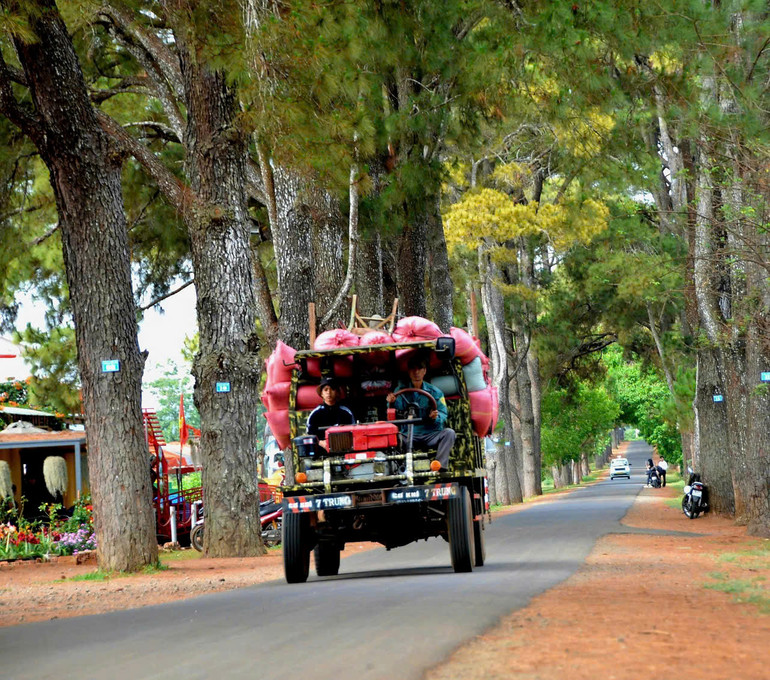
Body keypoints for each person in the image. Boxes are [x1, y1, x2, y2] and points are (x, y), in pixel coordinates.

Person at [386, 354, 455, 470]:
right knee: (392, 436)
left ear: (424, 371)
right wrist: (391, 402)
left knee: (449, 433)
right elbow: (392, 413)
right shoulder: (400, 391)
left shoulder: (435, 392)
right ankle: (398, 467)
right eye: (413, 369)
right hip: (408, 435)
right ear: (409, 372)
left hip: (430, 434)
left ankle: (439, 466)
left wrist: (435, 417)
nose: (416, 372)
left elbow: (443, 413)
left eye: (420, 368)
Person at [306, 377, 355, 446]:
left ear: (337, 392)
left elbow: (354, 431)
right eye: (326, 390)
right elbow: (310, 434)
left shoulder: (346, 412)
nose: (329, 392)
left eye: (332, 389)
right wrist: (321, 443)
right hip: (322, 450)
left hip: (344, 447)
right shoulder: (315, 414)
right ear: (321, 394)